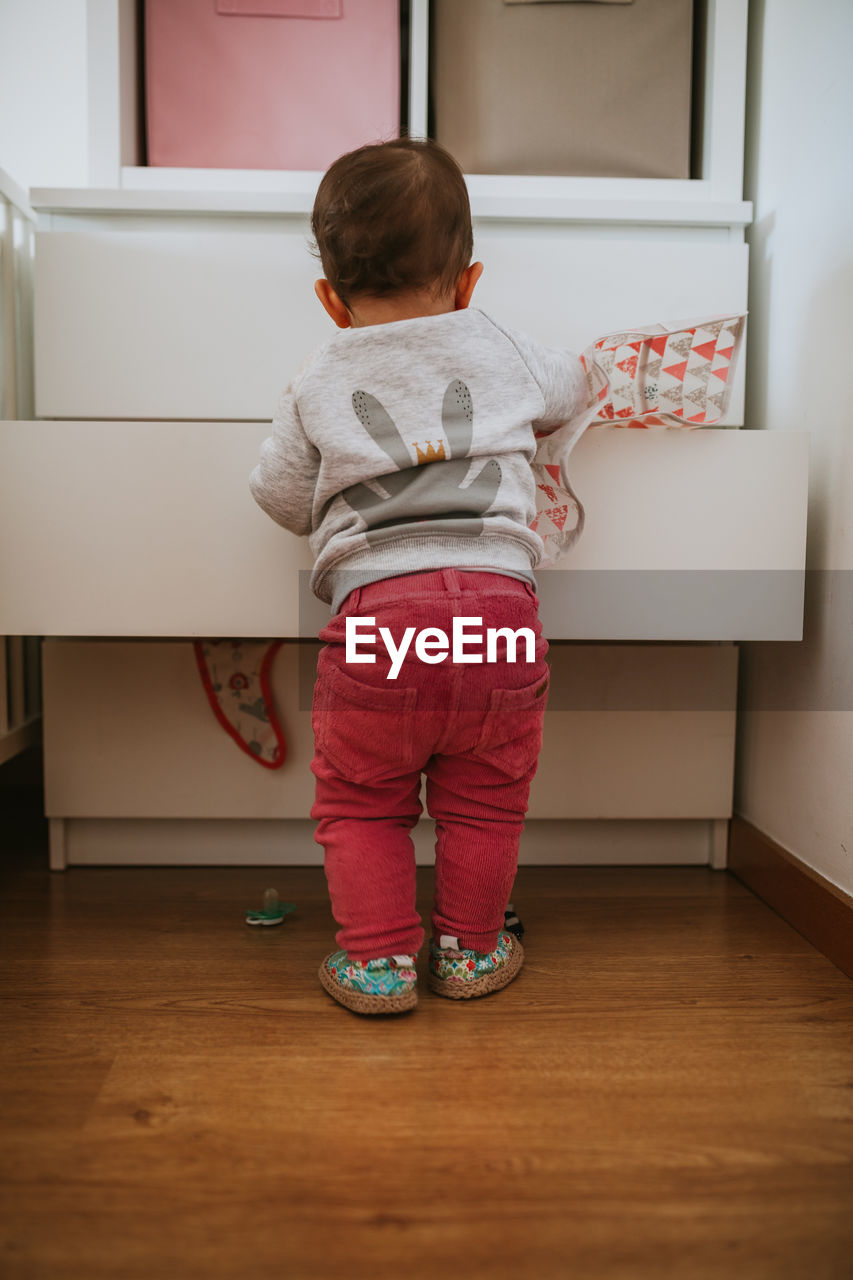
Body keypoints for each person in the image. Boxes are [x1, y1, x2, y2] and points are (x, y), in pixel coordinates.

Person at [249, 137, 586, 1015]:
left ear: (330, 299)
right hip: (498, 618)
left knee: (363, 805)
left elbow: (281, 497)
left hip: (380, 619)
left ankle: (377, 964)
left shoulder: (318, 375)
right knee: (484, 805)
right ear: (468, 281)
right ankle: (471, 953)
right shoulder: (499, 342)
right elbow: (569, 387)